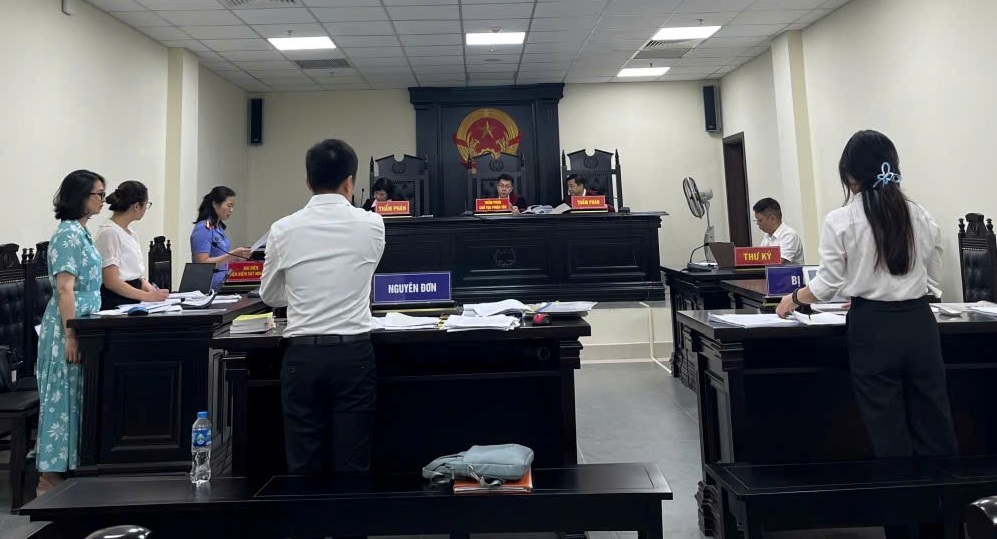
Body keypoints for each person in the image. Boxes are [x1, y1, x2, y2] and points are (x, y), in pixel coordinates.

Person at [776, 131, 957, 537]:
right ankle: (942, 527)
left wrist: (793, 298)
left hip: (872, 329)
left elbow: (827, 284)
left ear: (850, 176)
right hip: (919, 325)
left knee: (889, 438)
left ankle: (903, 530)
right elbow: (934, 274)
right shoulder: (919, 214)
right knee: (935, 430)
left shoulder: (842, 219)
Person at [260, 139, 386, 475]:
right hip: (354, 354)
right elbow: (363, 275)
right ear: (350, 182)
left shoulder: (282, 229)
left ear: (308, 181)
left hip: (302, 355)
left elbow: (270, 294)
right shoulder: (373, 224)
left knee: (303, 461)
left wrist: (305, 293)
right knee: (352, 461)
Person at [35, 170, 106, 496]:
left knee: (77, 398)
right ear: (80, 196)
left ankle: (71, 469)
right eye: (98, 194)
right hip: (68, 328)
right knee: (61, 400)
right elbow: (65, 289)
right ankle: (49, 478)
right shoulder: (66, 236)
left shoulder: (82, 232)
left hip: (84, 324)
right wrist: (71, 335)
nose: (103, 200)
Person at [94, 181, 169, 309]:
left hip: (132, 298)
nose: (145, 209)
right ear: (136, 206)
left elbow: (131, 273)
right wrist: (148, 296)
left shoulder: (130, 233)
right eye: (146, 205)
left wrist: (147, 286)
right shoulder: (110, 233)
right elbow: (111, 281)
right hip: (116, 301)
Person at [190, 186, 252, 291]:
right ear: (215, 204)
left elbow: (221, 258)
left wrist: (238, 257)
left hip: (220, 286)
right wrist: (231, 255)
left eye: (232, 206)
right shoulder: (203, 228)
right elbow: (202, 264)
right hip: (206, 288)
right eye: (229, 206)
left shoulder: (218, 228)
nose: (231, 210)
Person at [752, 197, 805, 264]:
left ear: (772, 219)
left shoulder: (789, 235)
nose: (757, 223)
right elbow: (761, 261)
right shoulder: (767, 236)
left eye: (760, 220)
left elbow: (778, 262)